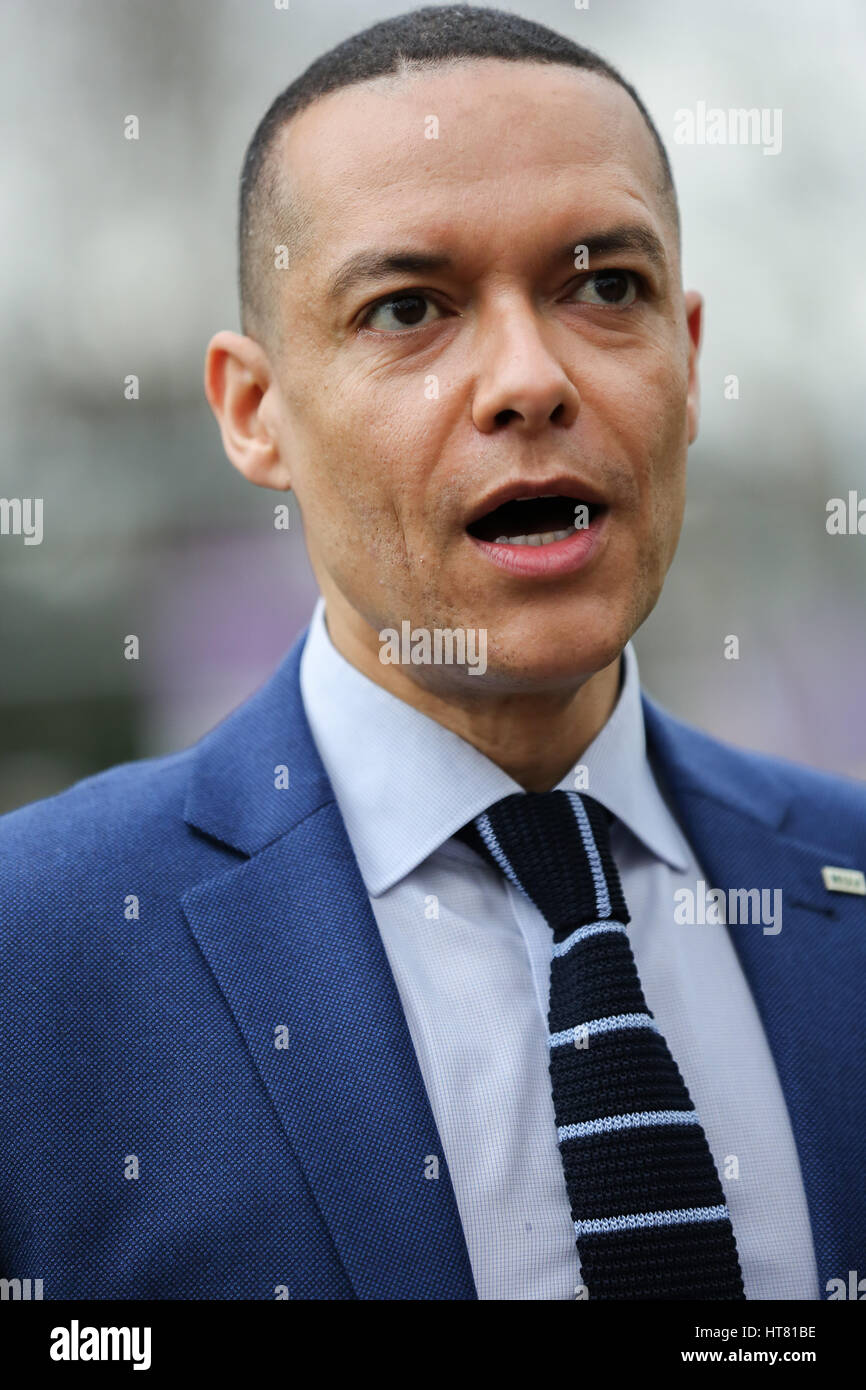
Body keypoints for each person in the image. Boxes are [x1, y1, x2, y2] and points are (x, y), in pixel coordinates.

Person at [1, 5, 863, 1302]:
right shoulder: (36, 953)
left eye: (602, 287)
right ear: (255, 412)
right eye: (408, 307)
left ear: (687, 363)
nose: (528, 377)